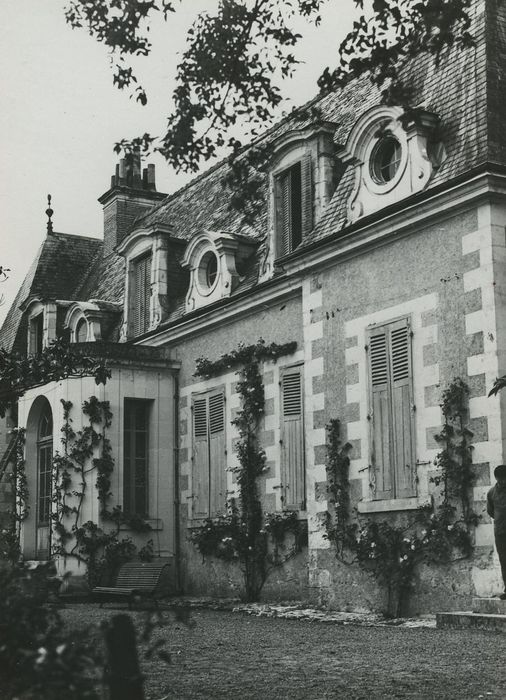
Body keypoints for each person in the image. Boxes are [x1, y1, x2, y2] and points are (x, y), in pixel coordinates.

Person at [487, 464, 506, 599]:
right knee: (504, 561)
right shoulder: (491, 493)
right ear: (497, 478)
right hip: (500, 532)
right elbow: (491, 511)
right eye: (501, 479)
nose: (504, 482)